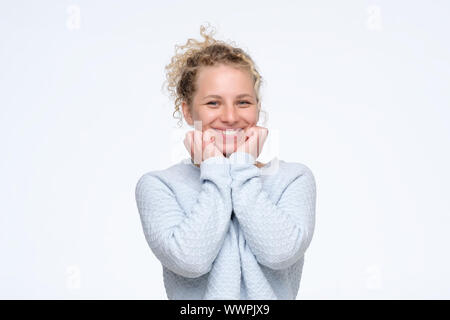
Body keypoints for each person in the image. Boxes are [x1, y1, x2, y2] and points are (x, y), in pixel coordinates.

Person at [135, 24, 317, 300]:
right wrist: (216, 168)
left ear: (257, 106)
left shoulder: (293, 178)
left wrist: (242, 164)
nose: (231, 116)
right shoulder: (159, 185)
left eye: (243, 102)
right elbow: (191, 261)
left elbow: (279, 253)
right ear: (187, 110)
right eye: (213, 103)